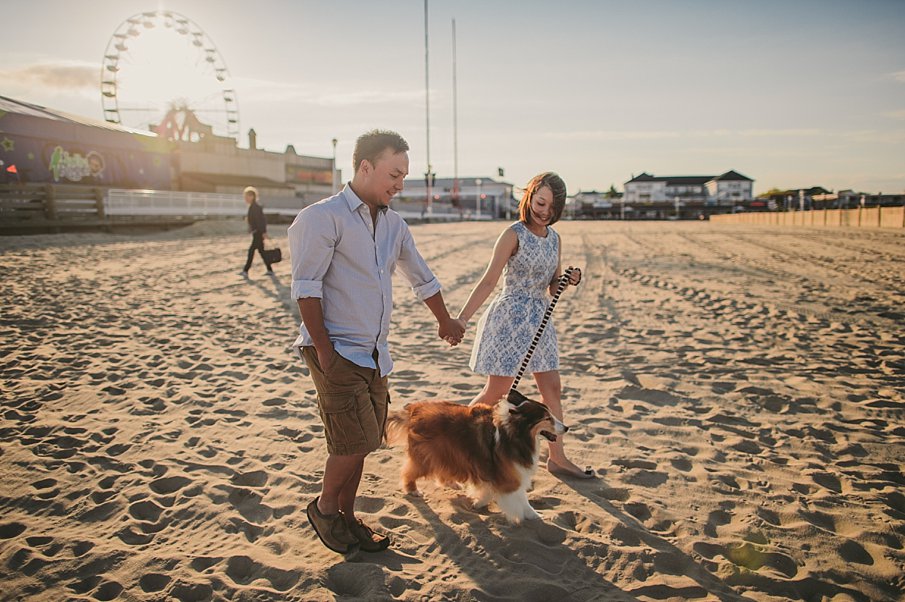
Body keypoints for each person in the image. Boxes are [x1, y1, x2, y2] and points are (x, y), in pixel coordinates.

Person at [288, 129, 465, 555]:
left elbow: (421, 278)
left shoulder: (394, 225)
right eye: (394, 174)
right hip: (335, 348)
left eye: (404, 176)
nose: (400, 184)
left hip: (375, 353)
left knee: (365, 441)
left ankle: (349, 520)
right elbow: (306, 289)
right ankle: (325, 508)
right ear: (365, 167)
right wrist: (326, 353)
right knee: (349, 443)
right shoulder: (321, 218)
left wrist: (445, 320)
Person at [453, 172, 593, 479]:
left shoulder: (554, 239)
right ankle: (455, 443)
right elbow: (489, 280)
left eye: (552, 209)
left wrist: (568, 281)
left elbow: (552, 288)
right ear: (529, 197)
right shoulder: (512, 233)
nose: (545, 212)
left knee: (552, 387)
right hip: (509, 319)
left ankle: (558, 458)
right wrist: (462, 318)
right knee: (497, 391)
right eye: (541, 203)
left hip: (540, 319)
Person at [242, 186, 274, 276]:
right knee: (261, 251)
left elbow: (261, 221)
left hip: (258, 233)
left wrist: (263, 232)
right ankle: (270, 269)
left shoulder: (255, 207)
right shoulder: (253, 207)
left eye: (246, 196)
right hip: (257, 232)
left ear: (252, 196)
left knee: (251, 250)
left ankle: (245, 270)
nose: (245, 199)